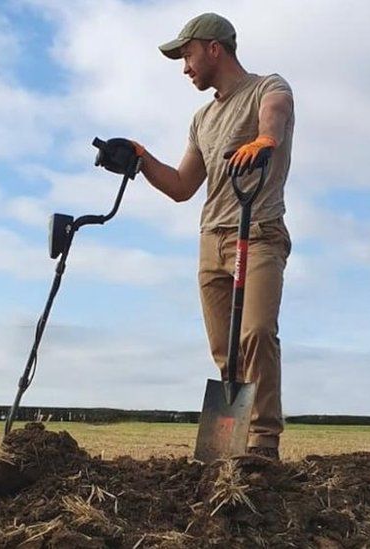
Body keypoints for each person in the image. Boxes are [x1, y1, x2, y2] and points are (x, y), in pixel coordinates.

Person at [132, 13, 294, 460]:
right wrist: (140, 159)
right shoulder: (202, 118)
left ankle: (263, 444)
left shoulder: (267, 87)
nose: (185, 67)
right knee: (226, 350)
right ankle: (228, 448)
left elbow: (275, 114)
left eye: (187, 54)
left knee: (257, 332)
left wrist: (265, 139)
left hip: (258, 232)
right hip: (212, 239)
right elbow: (183, 186)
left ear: (213, 48)